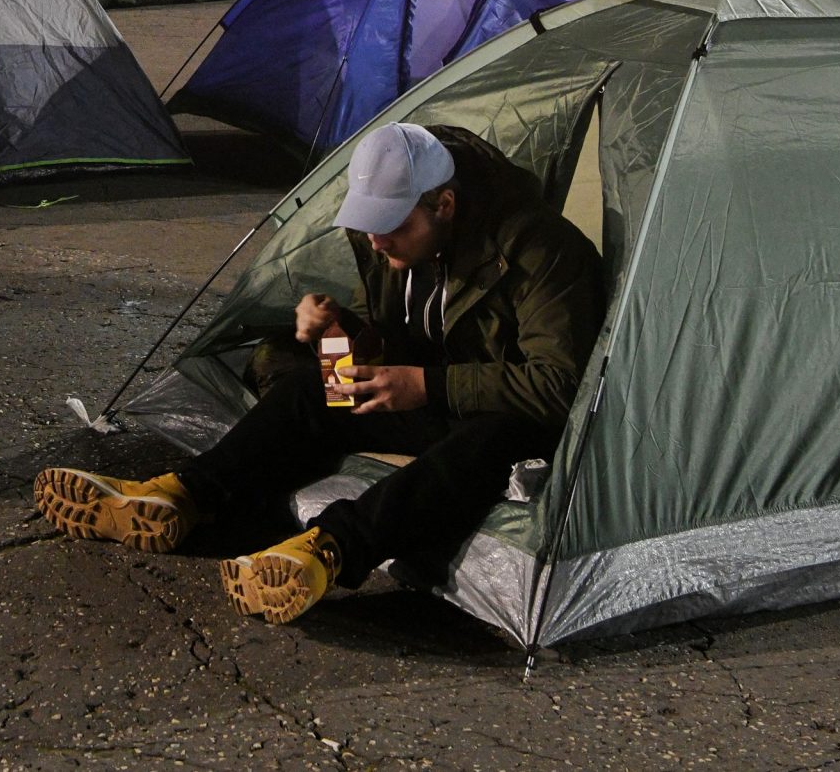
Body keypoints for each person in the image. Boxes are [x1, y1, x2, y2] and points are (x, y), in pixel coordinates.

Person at [34, 121, 605, 626]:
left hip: (512, 416)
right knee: (314, 390)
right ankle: (180, 498)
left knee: (486, 443)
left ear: (445, 206)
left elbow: (560, 384)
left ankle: (327, 551)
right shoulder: (385, 240)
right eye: (369, 226)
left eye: (391, 227)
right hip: (430, 396)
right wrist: (339, 328)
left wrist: (425, 385)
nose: (378, 243)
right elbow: (397, 335)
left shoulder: (541, 252)